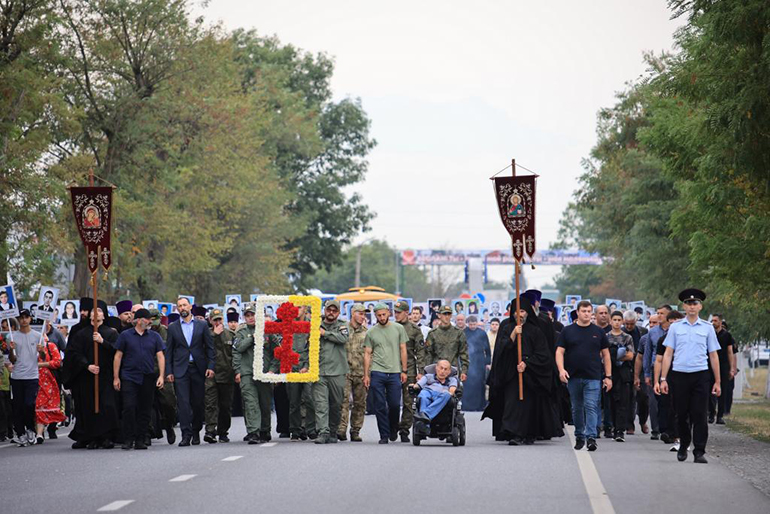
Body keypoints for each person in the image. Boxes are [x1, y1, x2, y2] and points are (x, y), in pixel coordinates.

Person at [484, 296, 564, 445]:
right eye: (516, 311)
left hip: (531, 375)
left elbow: (543, 354)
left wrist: (527, 363)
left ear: (527, 312)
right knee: (512, 403)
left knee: (529, 405)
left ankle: (528, 433)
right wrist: (514, 334)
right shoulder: (507, 328)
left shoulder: (535, 331)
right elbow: (501, 350)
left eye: (522, 311)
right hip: (511, 374)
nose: (519, 314)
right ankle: (514, 433)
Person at [660, 289, 721, 464]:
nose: (692, 306)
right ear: (684, 306)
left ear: (700, 306)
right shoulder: (675, 327)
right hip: (679, 375)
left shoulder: (707, 328)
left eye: (695, 303)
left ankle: (699, 451)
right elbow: (668, 353)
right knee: (681, 413)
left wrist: (717, 381)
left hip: (700, 374)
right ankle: (684, 443)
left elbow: (713, 355)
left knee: (700, 414)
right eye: (688, 303)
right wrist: (663, 379)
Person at [62, 302, 120, 449]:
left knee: (106, 405)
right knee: (87, 405)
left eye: (99, 311)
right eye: (93, 311)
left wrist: (102, 341)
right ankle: (89, 436)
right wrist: (87, 365)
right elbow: (74, 353)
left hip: (105, 376)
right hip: (86, 376)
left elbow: (117, 351)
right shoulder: (81, 334)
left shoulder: (111, 333)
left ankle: (106, 436)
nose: (96, 313)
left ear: (104, 315)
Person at [556, 301, 612, 452]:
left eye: (589, 311)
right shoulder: (568, 331)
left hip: (593, 376)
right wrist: (561, 370)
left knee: (591, 405)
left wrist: (608, 376)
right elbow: (559, 351)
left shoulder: (598, 332)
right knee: (577, 407)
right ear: (578, 312)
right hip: (573, 376)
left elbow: (606, 354)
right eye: (584, 311)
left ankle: (591, 437)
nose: (587, 314)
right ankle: (579, 435)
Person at [164, 297, 215, 447]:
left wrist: (211, 366)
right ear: (177, 309)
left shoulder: (202, 325)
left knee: (198, 402)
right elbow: (169, 351)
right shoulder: (173, 327)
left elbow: (210, 348)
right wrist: (169, 371)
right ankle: (185, 434)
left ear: (190, 306)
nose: (182, 308)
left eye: (184, 305)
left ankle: (196, 430)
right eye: (179, 306)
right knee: (183, 403)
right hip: (180, 369)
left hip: (198, 368)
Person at [113, 309, 165, 450]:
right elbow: (118, 356)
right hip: (129, 377)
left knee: (145, 409)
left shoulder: (154, 336)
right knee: (129, 407)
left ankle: (141, 439)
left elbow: (160, 356)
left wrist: (161, 376)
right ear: (140, 320)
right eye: (148, 319)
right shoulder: (125, 335)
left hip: (148, 377)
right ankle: (128, 438)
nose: (150, 322)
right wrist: (116, 377)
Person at [233, 302, 278, 444]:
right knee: (250, 402)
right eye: (247, 315)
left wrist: (273, 370)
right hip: (247, 372)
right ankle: (253, 432)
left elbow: (277, 352)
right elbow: (237, 349)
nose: (250, 317)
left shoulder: (268, 331)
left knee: (264, 403)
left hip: (264, 373)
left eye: (252, 314)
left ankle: (265, 430)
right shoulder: (241, 332)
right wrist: (237, 370)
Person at [363, 303, 408, 444]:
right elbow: (367, 354)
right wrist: (366, 375)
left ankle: (394, 428)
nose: (382, 318)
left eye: (384, 314)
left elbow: (403, 349)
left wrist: (404, 370)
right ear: (375, 316)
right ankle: (384, 434)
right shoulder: (371, 332)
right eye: (379, 315)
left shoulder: (398, 328)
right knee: (380, 405)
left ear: (389, 313)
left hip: (395, 372)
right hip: (377, 372)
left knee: (394, 404)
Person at [312, 301, 349, 444]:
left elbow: (343, 338)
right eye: (329, 310)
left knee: (336, 404)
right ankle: (323, 432)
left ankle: (333, 430)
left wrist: (325, 333)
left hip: (337, 371)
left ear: (338, 313)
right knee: (321, 404)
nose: (331, 312)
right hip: (319, 371)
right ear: (325, 310)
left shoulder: (342, 325)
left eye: (334, 310)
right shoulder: (315, 325)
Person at [7, 310, 41, 446]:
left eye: (26, 317)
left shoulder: (37, 336)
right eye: (21, 318)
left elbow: (43, 357)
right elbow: (12, 359)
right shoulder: (12, 336)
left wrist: (41, 351)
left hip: (32, 375)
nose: (24, 320)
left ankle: (31, 429)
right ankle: (20, 433)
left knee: (29, 404)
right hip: (17, 376)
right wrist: (11, 349)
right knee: (18, 406)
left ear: (30, 319)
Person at [394, 300, 425, 443]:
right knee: (393, 402)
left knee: (408, 402)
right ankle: (393, 427)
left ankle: (404, 429)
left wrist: (421, 371)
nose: (396, 315)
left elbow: (420, 352)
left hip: (410, 370)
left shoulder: (414, 329)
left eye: (399, 312)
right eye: (395, 312)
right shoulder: (390, 327)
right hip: (392, 369)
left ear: (407, 313)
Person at [204, 308, 235, 443]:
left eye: (219, 319)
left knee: (225, 406)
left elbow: (234, 354)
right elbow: (204, 350)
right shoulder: (206, 334)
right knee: (210, 404)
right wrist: (214, 335)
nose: (217, 322)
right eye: (215, 320)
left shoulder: (230, 335)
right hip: (211, 374)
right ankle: (210, 431)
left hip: (227, 374)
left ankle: (223, 431)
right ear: (210, 321)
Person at [338, 303, 367, 442]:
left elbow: (370, 354)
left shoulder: (366, 332)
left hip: (360, 372)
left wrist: (368, 374)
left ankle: (355, 430)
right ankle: (341, 429)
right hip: (345, 371)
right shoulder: (343, 329)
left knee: (360, 403)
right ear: (353, 313)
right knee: (343, 401)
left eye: (364, 314)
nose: (363, 317)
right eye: (360, 314)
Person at [286, 305, 316, 441]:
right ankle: (295, 430)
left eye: (299, 307)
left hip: (307, 368)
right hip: (292, 367)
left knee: (310, 399)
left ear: (305, 309)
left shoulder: (311, 325)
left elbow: (313, 348)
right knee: (294, 401)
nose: (296, 310)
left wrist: (307, 365)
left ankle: (311, 429)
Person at [148, 308, 177, 445]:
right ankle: (148, 432)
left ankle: (169, 424)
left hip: (164, 372)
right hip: (148, 371)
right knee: (147, 404)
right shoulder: (143, 332)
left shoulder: (167, 332)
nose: (153, 325)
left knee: (169, 403)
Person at [605, 311, 635, 442]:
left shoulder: (627, 337)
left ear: (622, 321)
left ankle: (620, 430)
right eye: (614, 320)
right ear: (610, 321)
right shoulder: (605, 337)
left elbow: (630, 355)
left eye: (619, 320)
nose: (617, 322)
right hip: (609, 371)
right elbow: (602, 354)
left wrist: (616, 356)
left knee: (623, 401)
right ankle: (611, 427)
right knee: (610, 401)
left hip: (623, 372)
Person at [425, 306, 469, 382]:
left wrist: (464, 371)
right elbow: (428, 355)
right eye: (444, 314)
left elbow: (464, 354)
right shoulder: (432, 333)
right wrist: (427, 372)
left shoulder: (458, 333)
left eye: (449, 314)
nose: (447, 316)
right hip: (437, 372)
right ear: (439, 315)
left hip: (453, 370)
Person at [622, 310, 648, 436]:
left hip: (641, 368)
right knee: (628, 397)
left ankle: (643, 421)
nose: (629, 326)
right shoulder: (621, 332)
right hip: (626, 367)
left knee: (643, 396)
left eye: (631, 324)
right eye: (626, 324)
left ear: (636, 321)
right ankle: (629, 424)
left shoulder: (643, 332)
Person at [635, 314, 660, 439]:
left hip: (667, 372)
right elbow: (640, 357)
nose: (652, 325)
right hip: (650, 372)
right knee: (651, 400)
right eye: (650, 322)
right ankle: (655, 429)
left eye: (654, 322)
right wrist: (638, 376)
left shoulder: (669, 336)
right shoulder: (644, 339)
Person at [412, 359, 457, 430]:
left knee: (447, 394)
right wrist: (413, 386)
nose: (442, 371)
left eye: (445, 369)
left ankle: (425, 414)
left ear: (449, 372)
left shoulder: (452, 380)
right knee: (423, 395)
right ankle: (424, 427)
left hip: (441, 396)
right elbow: (418, 384)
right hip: (428, 392)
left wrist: (449, 392)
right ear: (436, 368)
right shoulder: (428, 376)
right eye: (441, 368)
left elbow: (452, 390)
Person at [708, 313, 735, 425]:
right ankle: (711, 413)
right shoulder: (709, 334)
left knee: (722, 390)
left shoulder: (727, 335)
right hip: (710, 365)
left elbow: (730, 352)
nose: (713, 323)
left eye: (715, 321)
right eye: (712, 320)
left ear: (720, 322)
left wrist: (732, 368)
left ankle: (720, 415)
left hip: (723, 365)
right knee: (709, 390)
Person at [462, 315, 490, 412]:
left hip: (479, 360)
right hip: (468, 361)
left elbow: (487, 349)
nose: (472, 326)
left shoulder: (482, 333)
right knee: (468, 383)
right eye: (471, 324)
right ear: (467, 324)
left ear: (477, 323)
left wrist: (488, 362)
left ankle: (480, 406)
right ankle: (467, 405)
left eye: (474, 324)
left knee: (479, 383)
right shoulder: (464, 333)